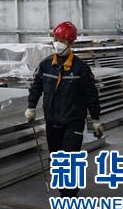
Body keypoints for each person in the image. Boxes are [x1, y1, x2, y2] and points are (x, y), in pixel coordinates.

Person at [26, 21, 103, 197]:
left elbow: (91, 96)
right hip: (52, 121)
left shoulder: (81, 69)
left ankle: (69, 197)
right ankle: (64, 191)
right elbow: (36, 87)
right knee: (56, 159)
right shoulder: (45, 65)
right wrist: (31, 107)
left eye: (62, 40)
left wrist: (96, 120)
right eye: (56, 39)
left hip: (73, 123)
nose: (58, 43)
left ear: (71, 43)